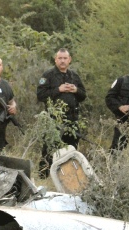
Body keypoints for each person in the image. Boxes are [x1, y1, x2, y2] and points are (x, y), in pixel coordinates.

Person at [36, 48, 87, 178]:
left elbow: (83, 95)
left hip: (72, 120)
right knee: (50, 149)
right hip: (54, 120)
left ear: (69, 60)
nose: (62, 61)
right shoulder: (48, 75)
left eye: (65, 58)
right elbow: (40, 95)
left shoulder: (74, 76)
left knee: (71, 150)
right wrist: (58, 89)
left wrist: (75, 90)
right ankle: (44, 177)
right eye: (60, 58)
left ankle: (70, 178)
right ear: (55, 59)